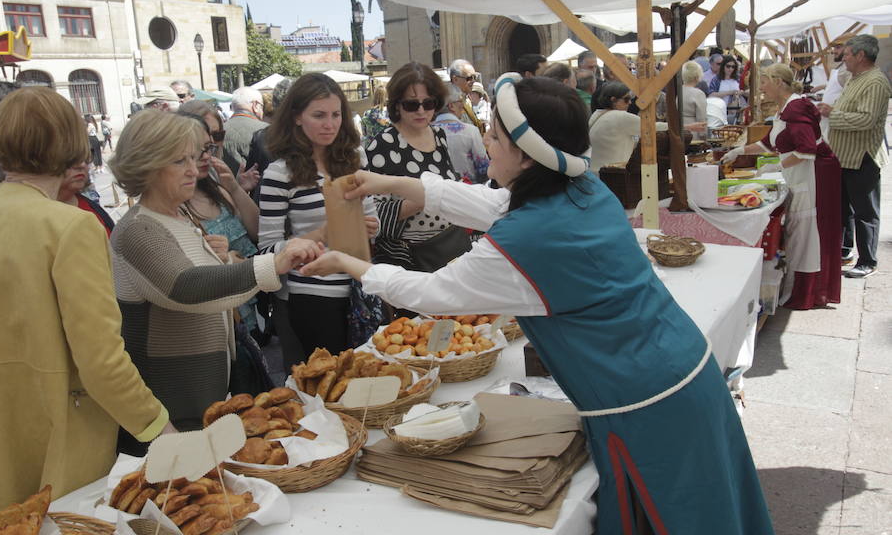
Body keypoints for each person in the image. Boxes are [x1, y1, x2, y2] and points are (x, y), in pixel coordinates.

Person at [299, 74, 775, 535]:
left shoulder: (526, 241)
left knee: (683, 516)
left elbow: (430, 293)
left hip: (643, 399)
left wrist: (352, 264)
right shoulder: (580, 187)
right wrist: (388, 182)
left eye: (495, 135)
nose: (485, 140)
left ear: (528, 156)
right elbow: (489, 205)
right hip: (678, 366)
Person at [0, 87, 175, 508]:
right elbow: (101, 359)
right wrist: (157, 427)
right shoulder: (71, 226)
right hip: (57, 433)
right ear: (71, 143)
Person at [108, 109, 320, 435]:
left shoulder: (177, 217)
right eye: (179, 161)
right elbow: (186, 287)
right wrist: (273, 263)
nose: (193, 170)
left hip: (201, 396)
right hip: (173, 407)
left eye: (193, 158)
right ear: (146, 164)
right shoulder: (138, 228)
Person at [258, 73, 378, 361]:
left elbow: (374, 223)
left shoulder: (355, 158)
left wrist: (369, 227)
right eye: (319, 115)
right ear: (297, 117)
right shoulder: (280, 173)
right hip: (314, 298)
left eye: (336, 114)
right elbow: (267, 250)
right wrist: (326, 233)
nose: (330, 124)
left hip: (360, 287)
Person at [723, 63, 842, 309]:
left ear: (778, 82)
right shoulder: (785, 109)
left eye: (764, 82)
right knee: (799, 231)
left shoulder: (796, 108)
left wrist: (777, 166)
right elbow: (770, 141)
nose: (761, 88)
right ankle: (798, 289)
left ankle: (807, 292)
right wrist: (740, 150)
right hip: (800, 172)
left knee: (807, 233)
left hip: (813, 174)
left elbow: (806, 150)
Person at [365, 62, 465, 271]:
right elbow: (374, 215)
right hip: (412, 258)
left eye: (428, 104)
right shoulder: (383, 144)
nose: (421, 111)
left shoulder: (439, 135)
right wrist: (426, 195)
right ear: (397, 105)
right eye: (412, 104)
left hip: (450, 246)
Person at [178, 102, 263, 343]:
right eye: (202, 142)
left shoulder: (216, 184)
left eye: (218, 135)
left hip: (247, 309)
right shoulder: (174, 202)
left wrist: (235, 187)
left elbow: (257, 231)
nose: (212, 146)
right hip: (218, 320)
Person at [818, 34, 891, 278]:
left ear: (861, 56)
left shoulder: (875, 82)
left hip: (863, 156)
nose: (843, 58)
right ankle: (846, 250)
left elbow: (867, 119)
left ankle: (868, 261)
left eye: (847, 53)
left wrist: (832, 114)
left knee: (865, 212)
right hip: (845, 155)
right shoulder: (855, 78)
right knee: (845, 209)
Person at [587, 82, 666, 174]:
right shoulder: (620, 116)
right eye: (626, 99)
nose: (630, 102)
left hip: (595, 173)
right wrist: (680, 126)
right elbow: (653, 127)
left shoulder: (596, 114)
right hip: (613, 175)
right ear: (613, 100)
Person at [432, 83, 489, 183]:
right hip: (468, 192)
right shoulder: (471, 132)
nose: (463, 105)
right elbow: (484, 169)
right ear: (451, 106)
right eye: (460, 101)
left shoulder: (426, 132)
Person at [57, 160, 115, 236]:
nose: (82, 165)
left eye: (85, 159)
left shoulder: (89, 206)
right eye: (70, 158)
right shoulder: (47, 219)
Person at [224, 86, 268, 173]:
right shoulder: (266, 130)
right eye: (262, 106)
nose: (262, 112)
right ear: (255, 105)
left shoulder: (218, 130)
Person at [818, 40, 852, 143]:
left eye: (838, 47)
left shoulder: (849, 70)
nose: (834, 51)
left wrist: (833, 109)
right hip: (830, 124)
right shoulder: (842, 67)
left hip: (839, 125)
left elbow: (851, 97)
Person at [448, 59, 485, 134]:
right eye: (469, 78)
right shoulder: (451, 102)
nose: (473, 81)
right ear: (455, 79)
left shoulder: (466, 99)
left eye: (475, 77)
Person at [708, 56, 746, 125]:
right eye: (728, 66)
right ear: (723, 66)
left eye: (733, 67)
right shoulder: (717, 79)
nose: (730, 69)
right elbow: (711, 95)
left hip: (735, 111)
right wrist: (730, 92)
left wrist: (741, 93)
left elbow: (745, 91)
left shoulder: (738, 79)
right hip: (719, 111)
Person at [681, 61, 708, 136]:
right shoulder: (698, 94)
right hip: (693, 133)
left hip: (679, 131)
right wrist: (704, 137)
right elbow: (702, 119)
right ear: (697, 76)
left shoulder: (678, 92)